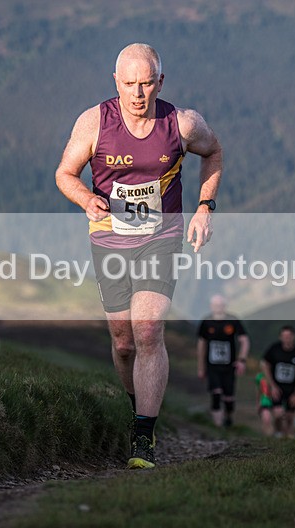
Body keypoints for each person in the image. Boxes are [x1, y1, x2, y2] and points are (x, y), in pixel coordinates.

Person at [55, 43, 223, 469]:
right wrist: (86, 199)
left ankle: (143, 436)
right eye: (129, 83)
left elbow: (214, 152)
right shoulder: (94, 122)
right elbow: (65, 173)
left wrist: (205, 207)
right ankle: (136, 408)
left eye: (146, 83)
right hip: (109, 239)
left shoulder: (182, 123)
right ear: (116, 82)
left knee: (147, 330)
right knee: (123, 341)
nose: (137, 93)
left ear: (160, 82)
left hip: (161, 237)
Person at [197, 294, 250, 428]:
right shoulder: (206, 322)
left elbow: (244, 340)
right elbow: (201, 344)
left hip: (229, 366)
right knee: (216, 393)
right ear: (211, 306)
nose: (218, 308)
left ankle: (228, 417)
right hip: (212, 366)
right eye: (215, 305)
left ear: (225, 306)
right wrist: (201, 367)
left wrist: (242, 360)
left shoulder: (233, 321)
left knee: (228, 398)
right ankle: (218, 426)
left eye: (220, 305)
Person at [261, 325, 295, 438]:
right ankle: (277, 433)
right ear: (280, 337)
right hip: (277, 387)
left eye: (289, 336)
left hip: (292, 388)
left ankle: (286, 436)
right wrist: (272, 385)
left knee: (289, 416)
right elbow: (265, 364)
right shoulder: (274, 349)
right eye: (284, 336)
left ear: (294, 336)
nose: (286, 338)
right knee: (278, 413)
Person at [255, 371, 275, 436]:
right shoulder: (260, 377)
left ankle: (278, 437)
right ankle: (268, 438)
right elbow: (258, 390)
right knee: (266, 419)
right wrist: (258, 402)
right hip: (265, 401)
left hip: (277, 401)